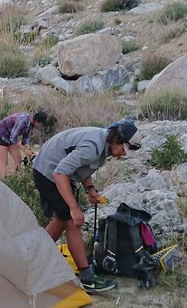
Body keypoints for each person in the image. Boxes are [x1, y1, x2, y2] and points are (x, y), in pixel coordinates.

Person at [32, 119, 143, 293]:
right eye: (124, 149)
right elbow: (60, 172)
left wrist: (90, 189)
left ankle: (33, 256)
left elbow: (81, 165)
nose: (123, 154)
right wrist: (74, 208)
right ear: (116, 140)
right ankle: (87, 278)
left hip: (55, 170)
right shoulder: (92, 146)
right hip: (48, 171)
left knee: (62, 220)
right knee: (72, 221)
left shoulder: (104, 144)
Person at [0, 110, 48, 179]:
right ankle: (2, 182)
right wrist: (24, 150)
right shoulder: (23, 121)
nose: (41, 125)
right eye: (41, 123)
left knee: (18, 159)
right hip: (0, 135)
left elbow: (25, 138)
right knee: (4, 162)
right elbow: (13, 138)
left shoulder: (31, 124)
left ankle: (16, 179)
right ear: (37, 120)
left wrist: (29, 149)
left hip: (10, 136)